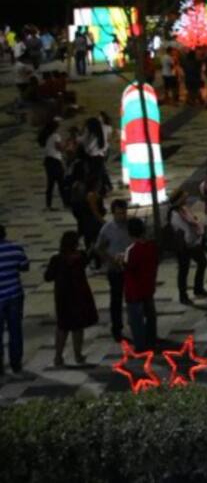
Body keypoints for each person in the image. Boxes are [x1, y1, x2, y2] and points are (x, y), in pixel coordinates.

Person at [44, 230, 97, 366]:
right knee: (78, 327)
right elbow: (87, 260)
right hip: (79, 295)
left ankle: (58, 356)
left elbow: (48, 277)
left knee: (62, 327)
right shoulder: (80, 257)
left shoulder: (57, 259)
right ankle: (78, 355)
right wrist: (91, 249)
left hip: (63, 297)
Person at [96, 199, 131, 341]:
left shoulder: (130, 226)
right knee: (116, 300)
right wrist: (111, 260)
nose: (122, 216)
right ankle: (117, 328)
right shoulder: (107, 229)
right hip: (115, 269)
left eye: (124, 213)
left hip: (130, 268)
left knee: (133, 298)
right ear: (113, 213)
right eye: (118, 213)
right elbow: (99, 248)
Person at [167, 189, 207, 305]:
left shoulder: (183, 209)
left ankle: (198, 288)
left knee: (202, 262)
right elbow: (184, 230)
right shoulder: (175, 214)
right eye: (184, 198)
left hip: (193, 243)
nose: (186, 199)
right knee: (183, 271)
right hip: (184, 246)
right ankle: (183, 296)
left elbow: (193, 220)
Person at [123, 217, 158, 351]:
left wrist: (120, 262)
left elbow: (129, 268)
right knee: (150, 316)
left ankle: (141, 346)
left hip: (135, 290)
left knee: (136, 320)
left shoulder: (132, 250)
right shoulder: (151, 246)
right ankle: (151, 341)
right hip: (148, 286)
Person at [0, 224, 30, 376]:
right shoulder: (15, 248)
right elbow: (24, 266)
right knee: (15, 330)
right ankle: (16, 363)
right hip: (14, 294)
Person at [39, 118, 68, 210]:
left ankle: (48, 205)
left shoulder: (47, 136)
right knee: (61, 183)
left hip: (48, 161)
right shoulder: (55, 136)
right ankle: (66, 204)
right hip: (55, 161)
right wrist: (66, 145)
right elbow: (59, 148)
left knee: (50, 184)